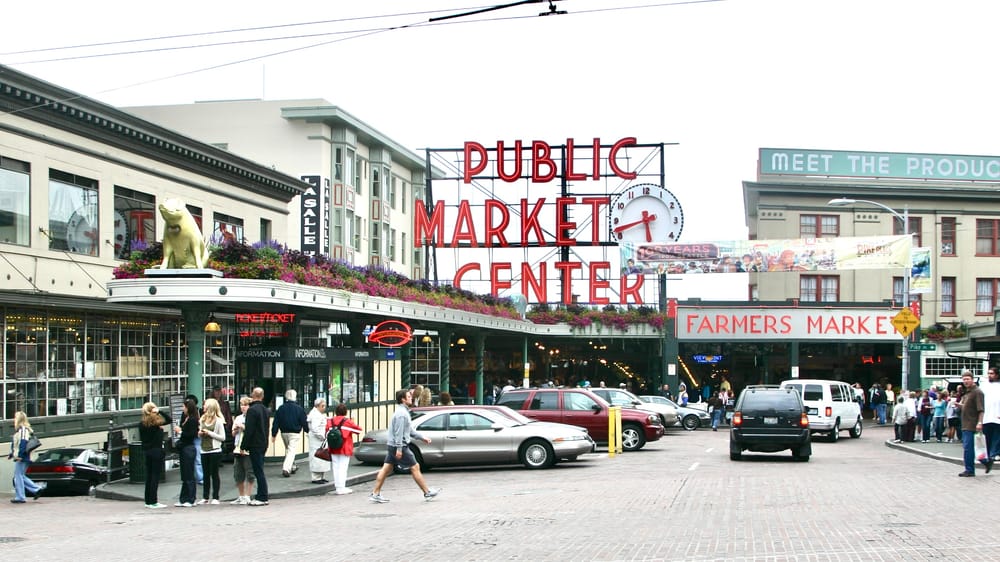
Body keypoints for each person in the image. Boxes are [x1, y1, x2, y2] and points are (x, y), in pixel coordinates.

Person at [369, 388, 440, 503]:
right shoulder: (402, 414)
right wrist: (399, 449)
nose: (411, 397)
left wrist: (422, 437)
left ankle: (375, 493)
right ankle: (427, 492)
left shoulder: (402, 412)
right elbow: (399, 433)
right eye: (408, 396)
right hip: (400, 445)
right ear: (403, 399)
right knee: (415, 466)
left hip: (394, 445)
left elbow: (409, 431)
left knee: (386, 468)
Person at [138, 402, 171, 508]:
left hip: (147, 451)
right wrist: (160, 411)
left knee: (149, 476)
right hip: (156, 450)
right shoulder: (156, 423)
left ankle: (148, 500)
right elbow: (169, 420)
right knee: (155, 477)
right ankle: (153, 501)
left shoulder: (142, 424)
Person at [8, 411, 45, 504]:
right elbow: (18, 444)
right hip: (24, 456)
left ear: (19, 419)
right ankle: (36, 489)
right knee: (20, 476)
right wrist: (12, 453)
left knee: (18, 476)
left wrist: (20, 456)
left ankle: (21, 496)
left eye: (15, 418)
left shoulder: (23, 429)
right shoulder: (22, 430)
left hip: (24, 456)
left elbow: (23, 443)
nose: (14, 419)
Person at [326, 403, 363, 494]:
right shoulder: (347, 421)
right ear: (345, 412)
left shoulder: (330, 421)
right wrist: (352, 422)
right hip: (344, 447)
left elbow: (326, 431)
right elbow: (358, 430)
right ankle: (342, 487)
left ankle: (337, 487)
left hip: (333, 447)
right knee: (343, 467)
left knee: (335, 467)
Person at [242, 387, 271, 505]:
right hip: (263, 442)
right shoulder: (265, 409)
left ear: (252, 395)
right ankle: (262, 495)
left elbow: (249, 429)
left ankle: (262, 496)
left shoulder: (252, 410)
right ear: (262, 396)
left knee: (258, 470)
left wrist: (244, 445)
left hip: (255, 443)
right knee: (259, 469)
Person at [271, 389, 308, 478]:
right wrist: (307, 430)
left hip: (283, 432)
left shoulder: (281, 408)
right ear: (295, 397)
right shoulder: (299, 409)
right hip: (295, 433)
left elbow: (276, 422)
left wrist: (274, 433)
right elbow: (304, 421)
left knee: (289, 450)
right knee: (291, 451)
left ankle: (293, 466)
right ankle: (286, 468)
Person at [957, 370, 986, 477]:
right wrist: (958, 405)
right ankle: (986, 461)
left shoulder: (977, 392)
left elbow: (981, 409)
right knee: (973, 447)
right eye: (964, 379)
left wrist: (979, 422)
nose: (965, 381)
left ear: (972, 379)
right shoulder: (967, 393)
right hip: (965, 423)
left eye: (967, 379)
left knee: (968, 447)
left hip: (972, 424)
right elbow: (966, 406)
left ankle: (969, 469)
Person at [197, 397, 226, 505]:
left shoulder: (218, 421)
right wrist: (200, 434)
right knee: (205, 474)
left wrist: (210, 433)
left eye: (205, 405)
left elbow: (222, 437)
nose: (203, 407)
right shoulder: (202, 419)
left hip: (215, 450)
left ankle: (215, 497)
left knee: (214, 474)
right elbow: (199, 433)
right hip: (204, 450)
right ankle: (205, 497)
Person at [174, 396, 200, 507]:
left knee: (189, 474)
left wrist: (180, 432)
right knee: (185, 474)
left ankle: (191, 498)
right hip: (184, 447)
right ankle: (183, 498)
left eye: (184, 406)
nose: (182, 408)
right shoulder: (186, 418)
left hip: (189, 447)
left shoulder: (193, 420)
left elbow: (191, 434)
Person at [229, 396, 255, 505]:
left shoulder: (252, 417)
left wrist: (243, 427)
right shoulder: (238, 417)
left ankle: (248, 496)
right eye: (241, 405)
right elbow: (233, 433)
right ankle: (241, 495)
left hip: (248, 449)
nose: (242, 407)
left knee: (249, 472)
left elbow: (253, 430)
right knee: (238, 473)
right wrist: (235, 429)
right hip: (238, 447)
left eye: (245, 405)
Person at [306, 398, 331, 484]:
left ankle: (320, 476)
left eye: (324, 406)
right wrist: (322, 437)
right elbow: (315, 428)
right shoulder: (315, 415)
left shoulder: (317, 414)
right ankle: (316, 477)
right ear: (317, 406)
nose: (324, 408)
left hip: (319, 440)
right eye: (322, 406)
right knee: (317, 457)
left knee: (321, 457)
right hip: (317, 439)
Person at [982, 367, 1000, 464]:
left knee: (997, 437)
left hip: (997, 416)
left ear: (997, 375)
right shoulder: (984, 386)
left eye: (992, 373)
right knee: (987, 437)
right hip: (986, 416)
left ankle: (994, 454)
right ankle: (989, 455)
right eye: (988, 373)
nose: (989, 375)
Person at [211, 386, 234, 456]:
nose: (218, 393)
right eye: (216, 391)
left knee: (222, 442)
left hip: (223, 425)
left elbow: (228, 416)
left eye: (219, 391)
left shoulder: (225, 404)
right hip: (213, 425)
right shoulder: (210, 403)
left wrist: (227, 426)